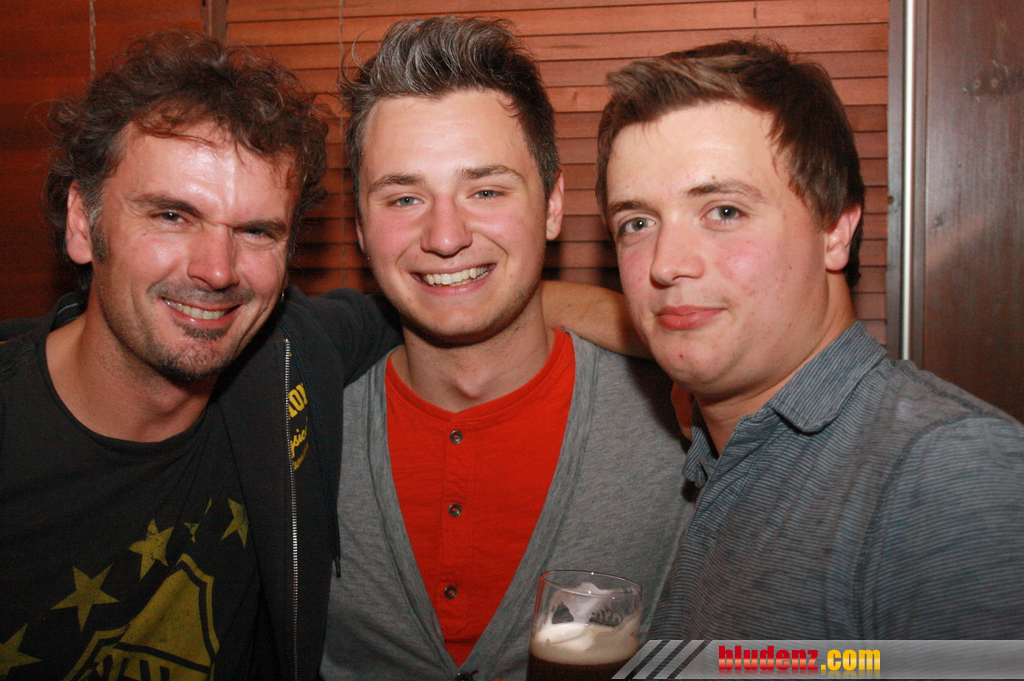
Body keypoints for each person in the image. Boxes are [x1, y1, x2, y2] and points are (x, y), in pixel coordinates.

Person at [0, 30, 627, 681]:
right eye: (171, 216)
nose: (217, 270)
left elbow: (463, 296)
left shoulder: (291, 358)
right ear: (83, 222)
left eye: (256, 230)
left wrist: (655, 335)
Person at [596, 39, 1024, 639]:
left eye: (724, 212)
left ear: (835, 231)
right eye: (637, 223)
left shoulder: (948, 472)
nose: (666, 263)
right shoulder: (721, 456)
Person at [320, 17, 689, 680]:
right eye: (404, 197)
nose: (445, 235)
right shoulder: (300, 432)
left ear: (552, 205)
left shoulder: (684, 426)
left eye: (486, 191)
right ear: (361, 227)